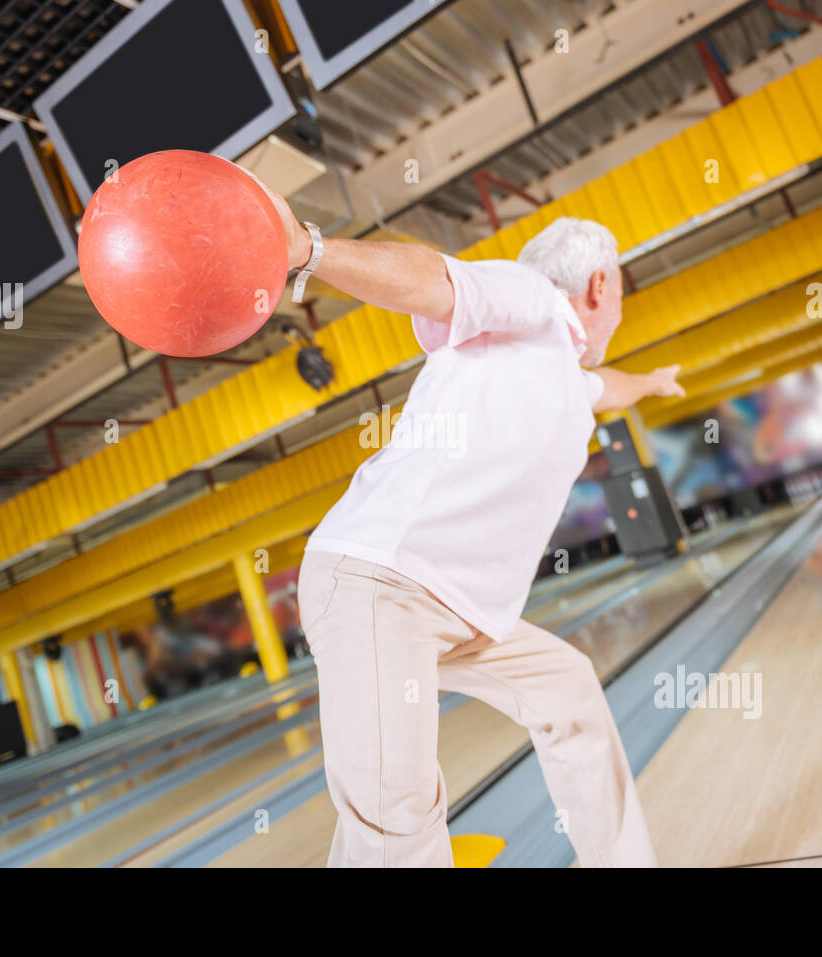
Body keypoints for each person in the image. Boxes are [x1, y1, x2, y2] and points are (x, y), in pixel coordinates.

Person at [251, 170, 684, 867]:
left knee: (568, 690)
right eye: (622, 297)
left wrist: (655, 382)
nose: (620, 312)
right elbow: (430, 278)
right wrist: (309, 250)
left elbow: (610, 389)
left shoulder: (560, 375)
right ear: (600, 286)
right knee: (398, 818)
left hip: (457, 609)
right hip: (381, 582)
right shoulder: (531, 300)